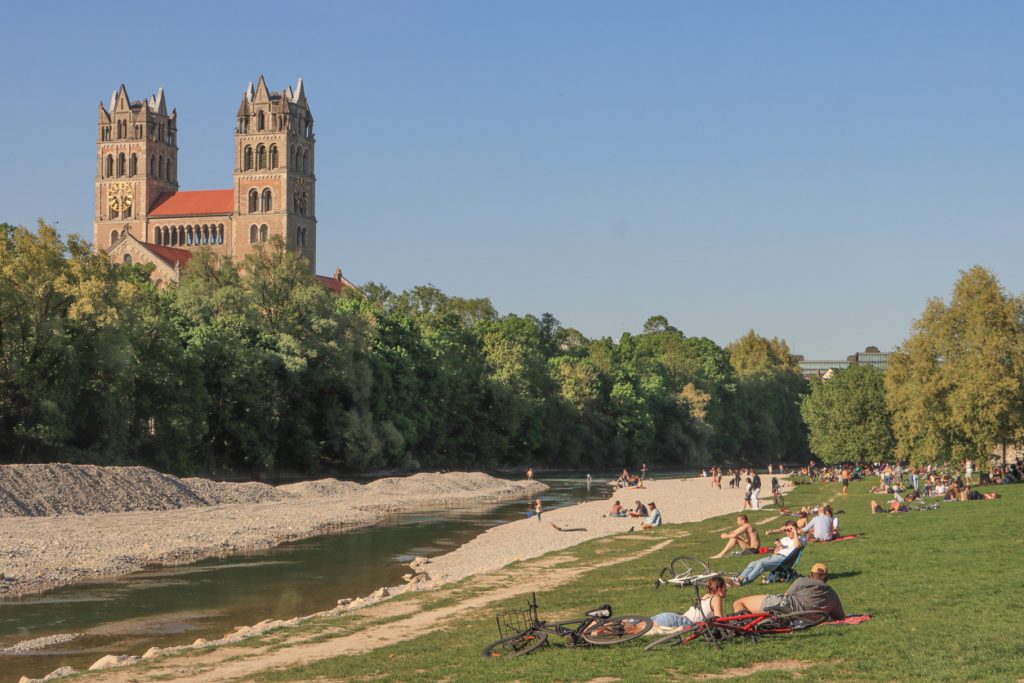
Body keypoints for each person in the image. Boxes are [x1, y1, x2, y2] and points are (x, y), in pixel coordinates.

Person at [731, 562, 845, 620]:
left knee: (740, 602)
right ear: (826, 577)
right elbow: (840, 617)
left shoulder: (802, 581)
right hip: (802, 617)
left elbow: (786, 596)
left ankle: (740, 624)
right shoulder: (832, 594)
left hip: (786, 607)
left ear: (810, 575)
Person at [729, 521, 801, 586]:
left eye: (789, 530)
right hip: (775, 557)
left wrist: (795, 532)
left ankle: (744, 582)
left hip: (784, 560)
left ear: (795, 530)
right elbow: (775, 552)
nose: (787, 532)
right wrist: (778, 547)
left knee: (761, 565)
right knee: (752, 563)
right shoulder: (784, 539)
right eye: (786, 530)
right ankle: (738, 579)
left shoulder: (799, 539)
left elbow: (797, 546)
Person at [651, 576, 728, 631]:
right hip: (683, 622)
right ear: (719, 588)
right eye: (725, 587)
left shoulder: (705, 596)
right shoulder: (716, 598)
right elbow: (719, 620)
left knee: (644, 625)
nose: (726, 590)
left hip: (674, 617)